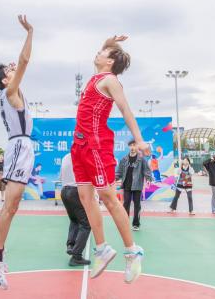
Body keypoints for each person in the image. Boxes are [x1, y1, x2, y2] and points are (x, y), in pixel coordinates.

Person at [71, 35, 148, 284]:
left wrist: (139, 140)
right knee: (85, 198)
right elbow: (105, 50)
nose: (98, 52)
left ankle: (132, 251)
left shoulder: (111, 80)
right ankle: (102, 248)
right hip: (79, 145)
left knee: (108, 197)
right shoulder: (97, 76)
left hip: (96, 144)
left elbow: (126, 110)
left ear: (111, 61)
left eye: (103, 51)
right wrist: (109, 41)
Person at [0, 15, 35, 290]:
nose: (14, 69)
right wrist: (30, 32)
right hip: (18, 147)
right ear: (6, 80)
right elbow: (24, 61)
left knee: (13, 206)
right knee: (10, 205)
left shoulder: (12, 91)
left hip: (23, 147)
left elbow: (18, 71)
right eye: (9, 71)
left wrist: (13, 72)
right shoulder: (9, 91)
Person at [60, 154, 91, 266]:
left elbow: (61, 176)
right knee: (86, 224)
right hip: (75, 191)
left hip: (64, 191)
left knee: (74, 220)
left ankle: (71, 245)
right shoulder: (82, 155)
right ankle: (76, 256)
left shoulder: (65, 157)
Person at [115, 140, 152, 230]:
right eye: (131, 145)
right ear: (129, 147)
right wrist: (114, 178)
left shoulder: (141, 160)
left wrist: (148, 179)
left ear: (137, 147)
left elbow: (146, 170)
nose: (132, 147)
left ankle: (136, 224)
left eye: (134, 145)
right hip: (127, 185)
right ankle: (125, 222)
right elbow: (119, 172)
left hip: (137, 185)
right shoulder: (124, 159)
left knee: (137, 205)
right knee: (126, 204)